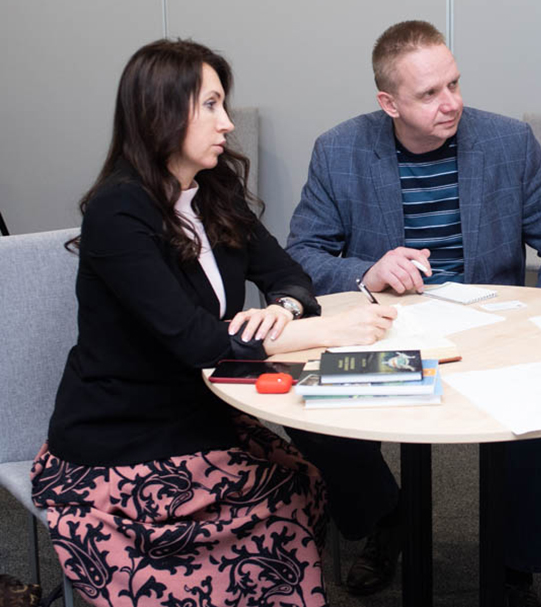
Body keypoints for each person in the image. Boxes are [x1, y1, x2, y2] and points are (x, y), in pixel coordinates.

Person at [31, 39, 397, 607]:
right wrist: (320, 331)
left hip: (201, 411)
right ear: (160, 112)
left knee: (302, 485)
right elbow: (194, 339)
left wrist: (283, 309)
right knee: (289, 496)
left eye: (222, 104)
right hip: (123, 434)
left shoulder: (214, 191)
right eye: (210, 105)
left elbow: (290, 275)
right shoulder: (118, 210)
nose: (226, 122)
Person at [285, 20, 541, 605]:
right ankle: (388, 517)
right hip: (385, 326)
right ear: (389, 104)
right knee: (309, 410)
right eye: (429, 93)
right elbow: (302, 252)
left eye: (453, 84)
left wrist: (537, 315)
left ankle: (514, 565)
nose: (451, 102)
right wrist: (367, 271)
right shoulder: (339, 149)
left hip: (493, 328)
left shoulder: (508, 142)